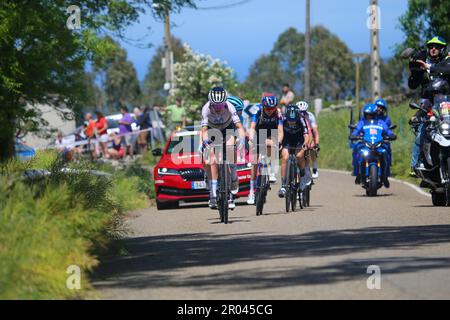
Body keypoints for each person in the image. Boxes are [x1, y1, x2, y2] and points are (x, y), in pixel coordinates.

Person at [201, 87, 246, 209]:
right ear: (211, 103)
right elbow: (204, 130)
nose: (218, 108)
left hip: (227, 129)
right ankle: (213, 194)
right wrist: (205, 141)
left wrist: (241, 139)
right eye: (216, 106)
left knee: (231, 148)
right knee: (210, 160)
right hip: (212, 130)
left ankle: (233, 176)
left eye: (221, 106)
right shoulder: (206, 109)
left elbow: (239, 127)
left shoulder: (230, 107)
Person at [247, 95, 284, 205]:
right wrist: (251, 140)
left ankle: (271, 170)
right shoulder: (258, 110)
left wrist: (278, 143)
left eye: (272, 108)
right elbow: (252, 128)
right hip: (259, 132)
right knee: (254, 161)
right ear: (263, 106)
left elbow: (280, 131)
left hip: (272, 133)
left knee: (271, 145)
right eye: (268, 108)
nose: (270, 111)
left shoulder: (278, 112)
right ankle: (251, 192)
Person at [351, 104, 397, 187]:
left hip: (378, 145)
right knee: (358, 151)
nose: (369, 116)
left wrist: (391, 135)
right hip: (365, 145)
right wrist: (354, 135)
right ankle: (358, 173)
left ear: (375, 114)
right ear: (364, 114)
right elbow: (356, 131)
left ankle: (385, 176)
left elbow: (388, 131)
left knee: (385, 152)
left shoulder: (381, 122)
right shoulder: (362, 123)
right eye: (367, 114)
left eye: (371, 115)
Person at [278, 104, 310, 198]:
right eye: (290, 120)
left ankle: (302, 175)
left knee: (299, 156)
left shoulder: (302, 119)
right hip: (287, 140)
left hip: (299, 140)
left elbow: (306, 135)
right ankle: (283, 185)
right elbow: (278, 132)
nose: (292, 123)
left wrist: (305, 144)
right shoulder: (282, 119)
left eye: (294, 121)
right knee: (285, 157)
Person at [297, 101, 320, 179]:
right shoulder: (294, 116)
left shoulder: (310, 116)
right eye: (300, 112)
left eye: (304, 112)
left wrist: (316, 144)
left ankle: (314, 168)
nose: (302, 114)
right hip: (300, 134)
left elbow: (315, 132)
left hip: (309, 133)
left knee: (312, 147)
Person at [375, 99, 393, 176]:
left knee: (387, 149)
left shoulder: (386, 119)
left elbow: (388, 129)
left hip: (382, 140)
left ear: (384, 109)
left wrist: (390, 135)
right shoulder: (369, 116)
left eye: (381, 107)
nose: (379, 108)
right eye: (377, 107)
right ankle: (358, 170)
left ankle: (387, 171)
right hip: (370, 139)